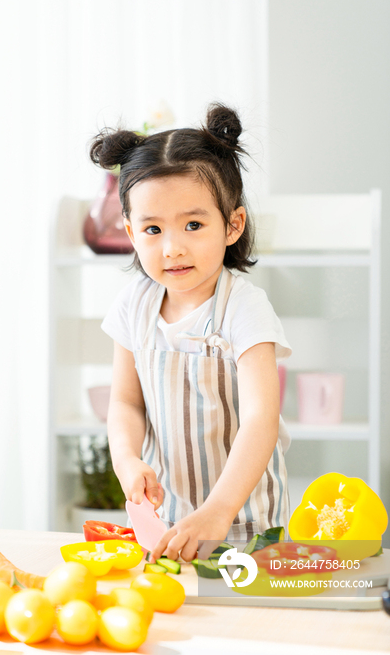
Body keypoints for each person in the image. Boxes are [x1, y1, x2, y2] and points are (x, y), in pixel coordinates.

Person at [90, 103, 291, 563]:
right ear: (130, 232)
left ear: (232, 225)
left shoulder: (243, 307)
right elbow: (125, 402)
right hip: (170, 520)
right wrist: (127, 461)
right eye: (153, 229)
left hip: (245, 522)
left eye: (194, 225)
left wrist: (219, 510)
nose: (173, 247)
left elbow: (261, 418)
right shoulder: (133, 307)